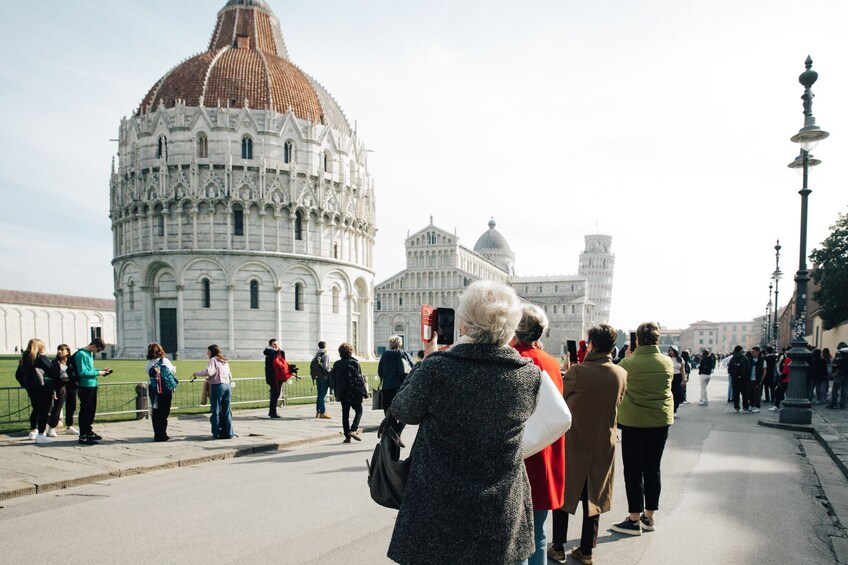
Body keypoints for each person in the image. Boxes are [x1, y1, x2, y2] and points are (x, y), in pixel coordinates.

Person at [386, 280, 539, 564]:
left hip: (438, 507)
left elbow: (403, 410)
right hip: (500, 508)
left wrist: (426, 361)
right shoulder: (528, 375)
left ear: (465, 326)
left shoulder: (438, 369)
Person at [549, 324, 626, 565]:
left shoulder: (578, 372)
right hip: (604, 443)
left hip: (575, 443)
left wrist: (568, 371)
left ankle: (558, 546)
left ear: (591, 344)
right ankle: (586, 550)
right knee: (594, 497)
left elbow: (560, 399)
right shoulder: (620, 373)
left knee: (565, 493)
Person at [510, 305, 565, 565]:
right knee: (538, 532)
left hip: (517, 455)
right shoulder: (551, 362)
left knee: (514, 537)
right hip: (544, 452)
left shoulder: (510, 359)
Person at [611, 321, 673, 536]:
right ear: (657, 339)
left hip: (634, 422)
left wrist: (628, 357)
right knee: (653, 469)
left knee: (634, 471)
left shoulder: (629, 363)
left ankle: (634, 519)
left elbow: (616, 380)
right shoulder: (667, 362)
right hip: (660, 421)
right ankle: (649, 516)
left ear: (637, 340)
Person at [74, 338, 111, 445]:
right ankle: (83, 435)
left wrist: (101, 371)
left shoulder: (89, 354)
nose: (97, 353)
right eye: (98, 350)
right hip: (85, 385)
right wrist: (98, 373)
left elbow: (90, 370)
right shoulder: (81, 354)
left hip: (92, 384)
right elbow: (82, 372)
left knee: (91, 410)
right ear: (94, 346)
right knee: (85, 410)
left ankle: (88, 430)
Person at [193, 345, 234, 439]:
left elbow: (209, 372)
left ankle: (216, 433)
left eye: (208, 351)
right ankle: (229, 433)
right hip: (227, 385)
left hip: (217, 386)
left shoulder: (213, 360)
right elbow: (230, 375)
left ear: (212, 352)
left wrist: (196, 373)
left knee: (215, 411)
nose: (207, 353)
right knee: (227, 411)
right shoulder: (225, 361)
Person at [20, 339, 56, 444]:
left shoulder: (24, 359)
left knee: (36, 409)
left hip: (32, 388)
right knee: (44, 410)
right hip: (43, 387)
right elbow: (51, 371)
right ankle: (41, 433)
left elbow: (19, 375)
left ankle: (34, 430)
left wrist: (26, 384)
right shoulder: (41, 358)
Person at [330, 342, 367, 442]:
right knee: (359, 410)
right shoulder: (355, 363)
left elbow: (334, 379)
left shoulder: (337, 364)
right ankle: (353, 429)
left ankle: (347, 437)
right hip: (354, 392)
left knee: (345, 414)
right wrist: (364, 392)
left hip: (342, 392)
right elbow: (360, 379)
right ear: (350, 352)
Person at [146, 342, 176, 441]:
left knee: (156, 412)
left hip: (154, 389)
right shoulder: (164, 360)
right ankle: (163, 434)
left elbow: (147, 372)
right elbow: (171, 371)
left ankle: (157, 434)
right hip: (165, 389)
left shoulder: (149, 362)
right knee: (164, 412)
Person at [46, 344, 75, 437]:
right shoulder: (54, 363)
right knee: (58, 406)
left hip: (71, 385)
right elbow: (51, 376)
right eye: (58, 349)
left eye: (62, 350)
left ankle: (69, 426)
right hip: (59, 386)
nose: (60, 351)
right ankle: (52, 427)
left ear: (68, 351)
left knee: (71, 406)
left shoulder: (71, 362)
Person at [263, 339, 285, 418]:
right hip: (274, 377)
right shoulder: (272, 353)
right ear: (271, 345)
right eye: (274, 344)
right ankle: (273, 412)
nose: (276, 346)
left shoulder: (272, 352)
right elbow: (281, 362)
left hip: (275, 377)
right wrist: (281, 351)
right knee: (275, 394)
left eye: (277, 344)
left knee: (275, 394)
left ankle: (272, 411)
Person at [727, 345, 751, 413]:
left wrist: (733, 375)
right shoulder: (745, 358)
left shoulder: (733, 358)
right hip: (744, 378)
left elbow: (729, 369)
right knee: (745, 393)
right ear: (740, 350)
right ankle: (745, 407)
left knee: (736, 393)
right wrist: (746, 376)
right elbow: (748, 368)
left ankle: (737, 407)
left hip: (735, 378)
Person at [311, 341, 332, 419]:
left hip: (318, 376)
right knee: (323, 395)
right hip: (324, 377)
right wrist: (331, 370)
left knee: (319, 394)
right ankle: (322, 412)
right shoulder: (326, 355)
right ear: (325, 346)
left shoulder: (317, 354)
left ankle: (318, 411)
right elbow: (326, 367)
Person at [827, 342, 848, 410]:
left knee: (835, 389)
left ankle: (834, 404)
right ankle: (842, 405)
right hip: (847, 375)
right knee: (844, 390)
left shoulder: (839, 354)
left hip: (839, 374)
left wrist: (833, 372)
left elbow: (835, 364)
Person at [668, 346, 685, 418]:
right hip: (670, 377)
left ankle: (675, 409)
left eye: (672, 350)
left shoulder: (680, 359)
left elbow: (682, 370)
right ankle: (671, 410)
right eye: (669, 350)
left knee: (677, 394)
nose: (670, 352)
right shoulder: (668, 359)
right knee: (670, 394)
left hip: (678, 377)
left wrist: (684, 379)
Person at [748, 346, 765, 413]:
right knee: (750, 393)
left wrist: (761, 380)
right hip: (750, 379)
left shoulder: (762, 360)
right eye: (752, 352)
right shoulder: (750, 360)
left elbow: (765, 371)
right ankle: (751, 405)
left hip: (757, 379)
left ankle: (757, 406)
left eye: (754, 352)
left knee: (756, 394)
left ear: (758, 352)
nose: (752, 353)